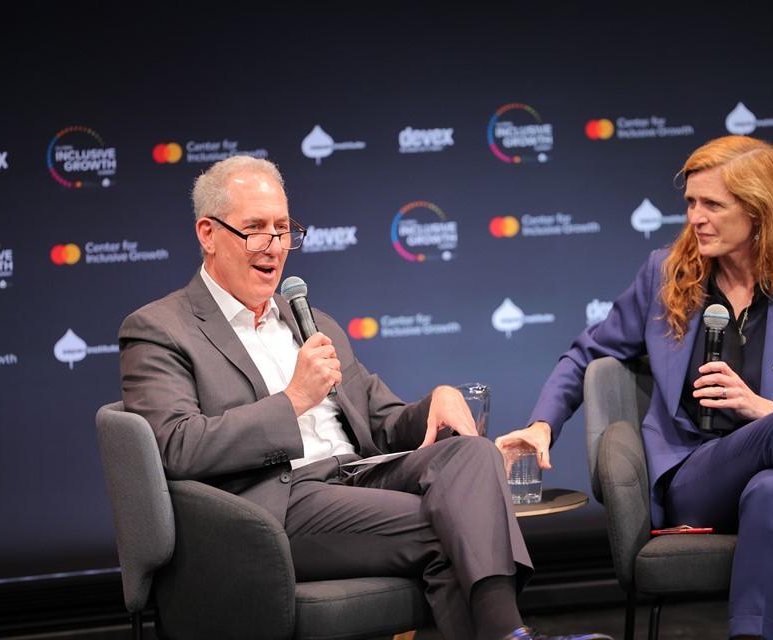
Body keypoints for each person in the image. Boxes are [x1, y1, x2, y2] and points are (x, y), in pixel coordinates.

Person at [118, 155, 612, 640]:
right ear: (208, 234)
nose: (274, 246)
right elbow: (176, 446)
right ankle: (509, 632)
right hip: (272, 505)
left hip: (356, 478)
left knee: (472, 453)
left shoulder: (311, 321)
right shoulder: (161, 328)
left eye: (283, 229)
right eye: (255, 230)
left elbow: (383, 422)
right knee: (451, 527)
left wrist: (432, 404)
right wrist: (293, 400)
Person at [497, 136, 773, 640]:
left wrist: (760, 407)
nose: (695, 218)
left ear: (757, 211)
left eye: (713, 205)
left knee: (771, 487)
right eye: (690, 203)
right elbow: (587, 353)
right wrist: (542, 425)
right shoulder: (666, 277)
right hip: (698, 476)